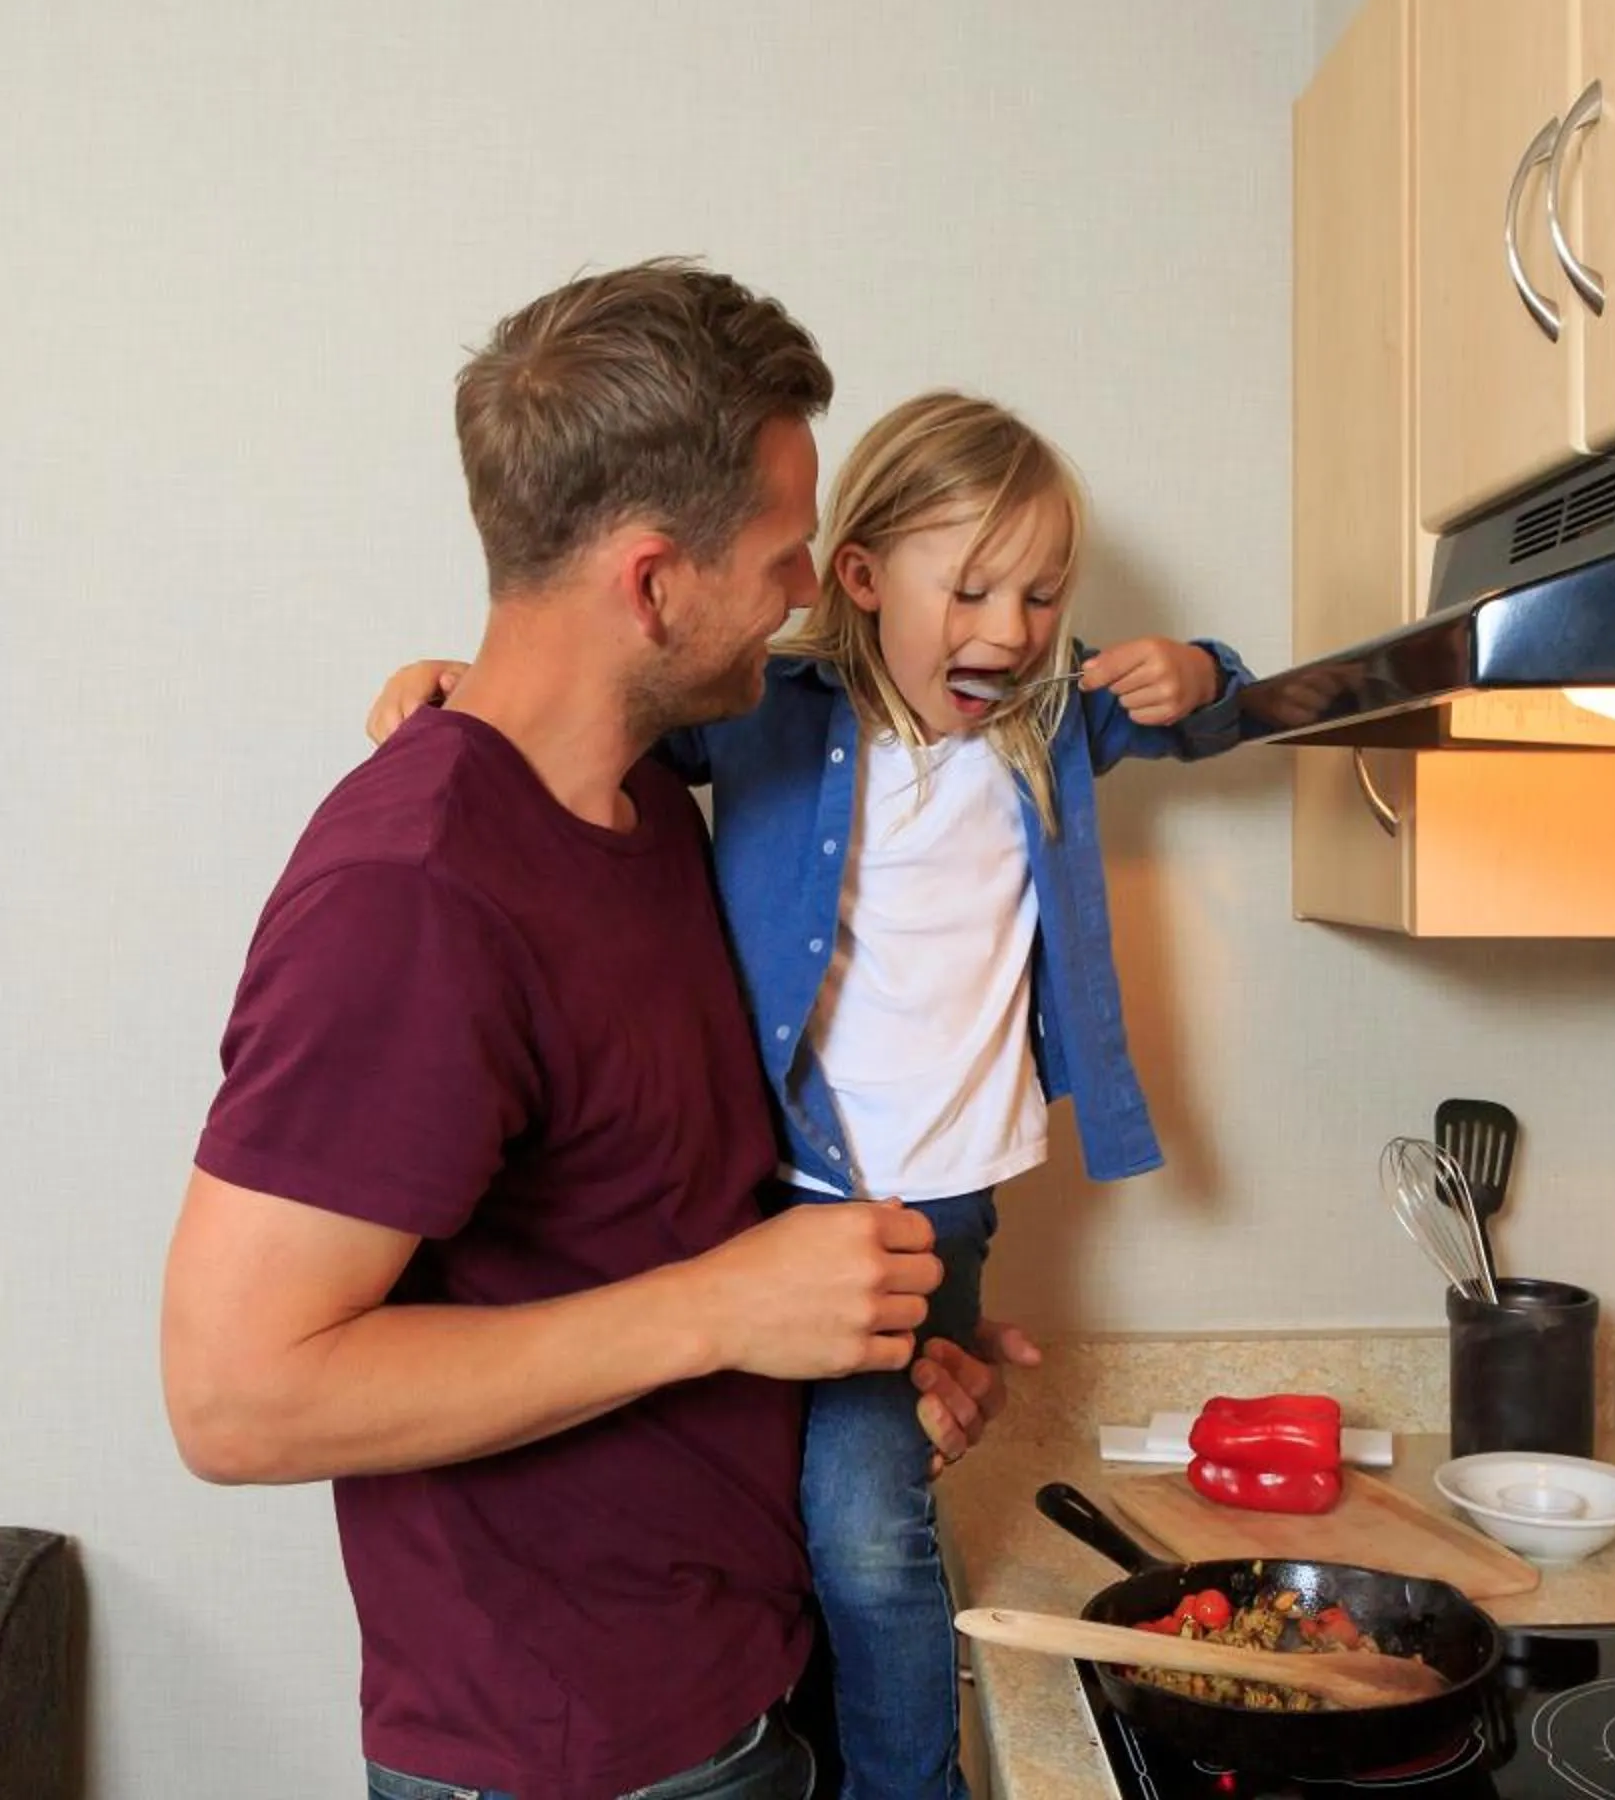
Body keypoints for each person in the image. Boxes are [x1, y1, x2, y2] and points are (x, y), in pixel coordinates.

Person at [161, 261, 1033, 1800]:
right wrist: (726, 1310)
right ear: (652, 584)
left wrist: (869, 1365)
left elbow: (651, 1224)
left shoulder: (651, 805)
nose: (809, 588)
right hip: (577, 1760)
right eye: (780, 553)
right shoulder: (416, 894)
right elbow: (236, 1396)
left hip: (745, 1686)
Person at [363, 389, 1248, 1800]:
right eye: (972, 590)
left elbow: (1228, 712)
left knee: (865, 1530)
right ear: (861, 576)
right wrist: (458, 693)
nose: (1014, 629)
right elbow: (593, 718)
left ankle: (905, 1786)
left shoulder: (1050, 723)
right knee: (791, 1515)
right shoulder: (766, 710)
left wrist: (1199, 673)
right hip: (776, 1189)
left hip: (932, 1208)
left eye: (1041, 595)